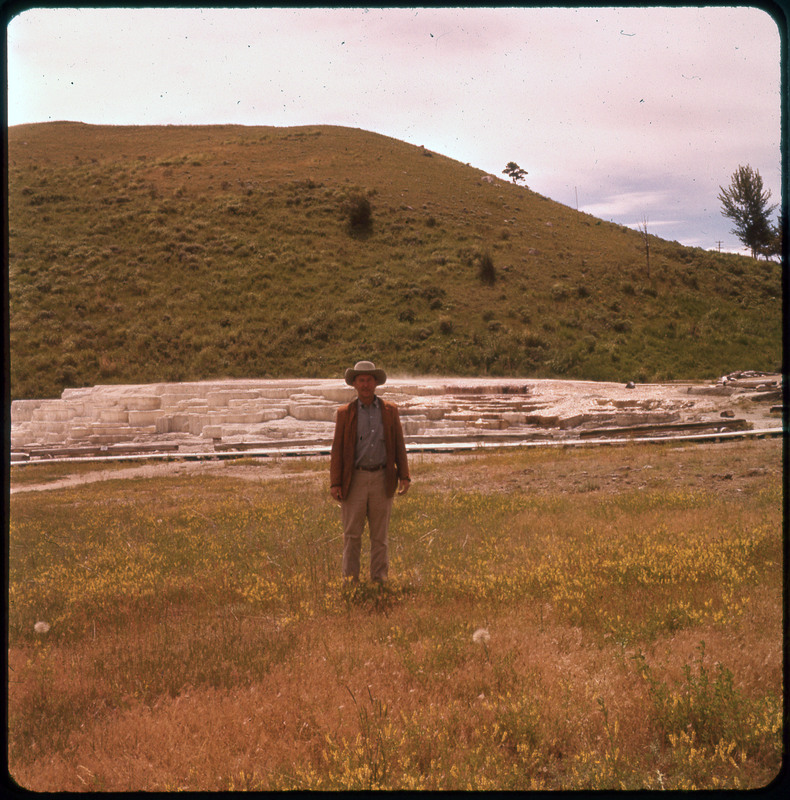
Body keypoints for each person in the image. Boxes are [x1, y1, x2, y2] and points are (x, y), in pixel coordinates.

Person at [330, 360, 410, 583]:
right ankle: (350, 581)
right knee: (352, 535)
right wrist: (335, 482)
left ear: (376, 383)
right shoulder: (345, 413)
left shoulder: (389, 411)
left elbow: (398, 444)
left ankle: (379, 580)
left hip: (382, 478)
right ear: (354, 384)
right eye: (361, 380)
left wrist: (404, 474)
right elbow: (337, 450)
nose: (365, 385)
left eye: (369, 380)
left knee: (380, 537)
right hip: (354, 479)